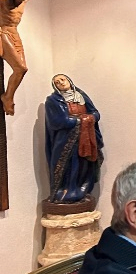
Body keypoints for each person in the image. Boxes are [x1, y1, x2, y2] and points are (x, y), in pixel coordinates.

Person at [44, 74, 104, 203]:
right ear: (55, 86)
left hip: (86, 136)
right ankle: (65, 191)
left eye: (62, 79)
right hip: (65, 139)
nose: (61, 82)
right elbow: (57, 121)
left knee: (84, 163)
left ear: (69, 81)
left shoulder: (81, 95)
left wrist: (89, 118)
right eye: (57, 82)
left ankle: (80, 190)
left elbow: (95, 113)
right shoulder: (53, 100)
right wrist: (80, 120)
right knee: (68, 164)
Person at [0, 0, 35, 116]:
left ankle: (8, 96)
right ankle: (8, 97)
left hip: (15, 33)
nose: (21, 2)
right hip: (4, 33)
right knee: (20, 67)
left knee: (23, 69)